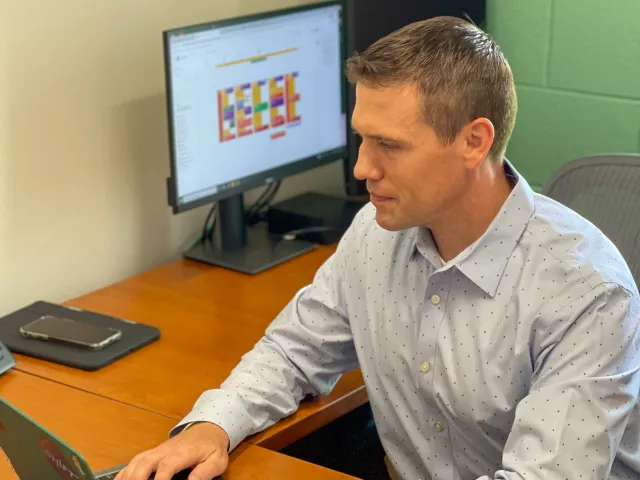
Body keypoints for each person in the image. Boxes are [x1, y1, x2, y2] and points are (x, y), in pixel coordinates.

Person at [116, 16, 640, 480]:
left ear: (474, 142)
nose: (362, 168)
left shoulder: (587, 293)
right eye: (362, 138)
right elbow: (293, 352)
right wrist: (211, 426)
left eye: (388, 144)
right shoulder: (375, 231)